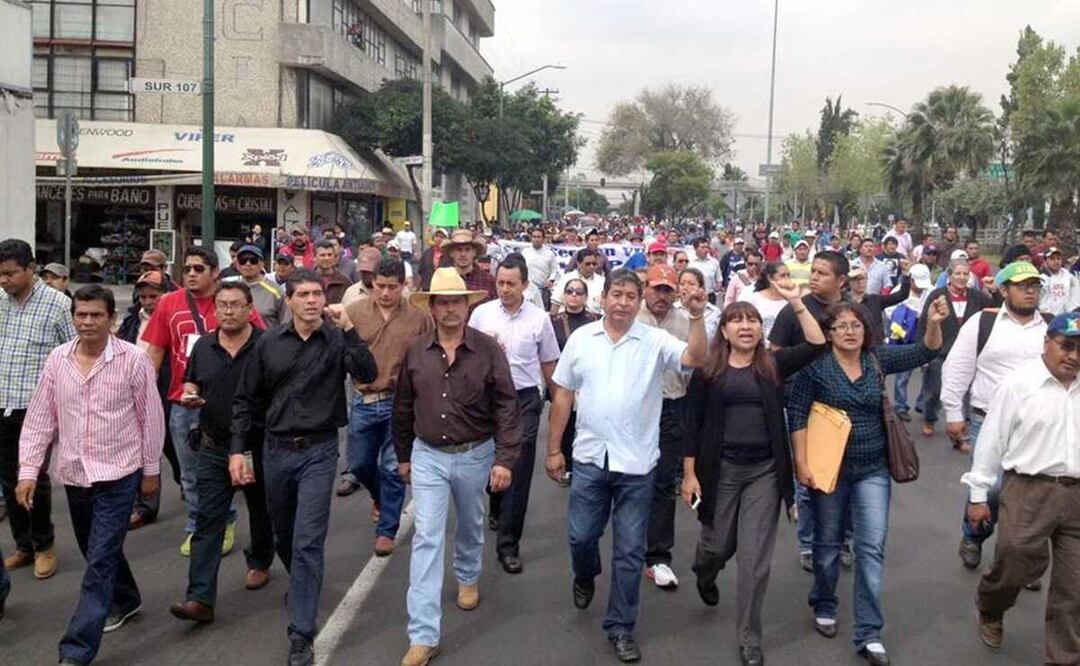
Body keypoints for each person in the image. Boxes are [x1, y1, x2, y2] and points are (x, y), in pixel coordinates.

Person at [545, 268, 709, 663]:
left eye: (629, 297)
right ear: (604, 299)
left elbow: (695, 358)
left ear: (638, 303)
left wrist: (698, 317)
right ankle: (585, 574)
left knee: (631, 551)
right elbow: (563, 393)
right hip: (589, 458)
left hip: (637, 463)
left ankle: (621, 626)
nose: (621, 302)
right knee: (581, 537)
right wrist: (554, 449)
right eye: (615, 295)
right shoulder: (582, 339)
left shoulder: (655, 340)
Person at [788, 297, 947, 666]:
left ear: (866, 330)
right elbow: (796, 414)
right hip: (829, 470)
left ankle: (869, 632)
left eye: (856, 325)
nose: (849, 332)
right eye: (840, 326)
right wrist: (801, 463)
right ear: (828, 334)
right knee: (827, 546)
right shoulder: (816, 367)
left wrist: (934, 321)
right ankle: (825, 602)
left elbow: (925, 350)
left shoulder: (877, 360)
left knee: (871, 549)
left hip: (873, 469)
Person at [231, 268, 377, 665]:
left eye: (317, 294)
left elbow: (368, 374)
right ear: (290, 301)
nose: (312, 301)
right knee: (284, 534)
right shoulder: (268, 344)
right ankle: (300, 582)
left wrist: (349, 330)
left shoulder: (336, 339)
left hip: (319, 449)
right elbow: (246, 400)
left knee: (308, 540)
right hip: (274, 450)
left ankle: (300, 633)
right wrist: (237, 452)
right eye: (303, 295)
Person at [17, 285, 165, 664]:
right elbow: (39, 420)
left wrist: (151, 472)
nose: (87, 322)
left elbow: (151, 419)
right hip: (75, 474)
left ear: (111, 318)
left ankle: (76, 649)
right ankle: (127, 597)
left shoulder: (133, 360)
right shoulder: (57, 360)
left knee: (99, 559)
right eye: (81, 315)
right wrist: (29, 471)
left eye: (96, 315)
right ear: (73, 318)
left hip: (119, 473)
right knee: (96, 549)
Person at [682, 284, 824, 666]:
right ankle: (705, 571)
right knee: (717, 545)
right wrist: (689, 473)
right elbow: (692, 423)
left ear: (761, 329)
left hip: (765, 471)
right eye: (736, 320)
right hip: (720, 471)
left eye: (752, 320)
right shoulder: (710, 372)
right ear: (724, 330)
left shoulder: (773, 366)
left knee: (755, 560)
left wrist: (796, 302)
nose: (746, 326)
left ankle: (749, 636)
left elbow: (815, 344)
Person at [393, 267, 520, 666]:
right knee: (427, 538)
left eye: (456, 302)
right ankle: (423, 634)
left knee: (469, 523)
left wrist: (505, 458)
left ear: (467, 306)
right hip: (428, 454)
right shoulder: (415, 351)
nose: (450, 309)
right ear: (431, 307)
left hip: (476, 453)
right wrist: (403, 456)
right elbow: (402, 406)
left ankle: (467, 574)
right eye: (442, 302)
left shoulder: (488, 350)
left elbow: (506, 404)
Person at [964, 312, 1080, 664]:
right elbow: (991, 442)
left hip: (1077, 497)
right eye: (1067, 346)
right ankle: (991, 606)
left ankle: (1063, 658)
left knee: (1075, 590)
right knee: (1015, 562)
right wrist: (978, 495)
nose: (1074, 356)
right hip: (1029, 490)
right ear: (1047, 343)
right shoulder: (1019, 384)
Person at [142, 246, 264, 557]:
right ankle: (200, 525)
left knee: (241, 472)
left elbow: (263, 346)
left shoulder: (231, 301)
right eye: (188, 269)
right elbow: (153, 352)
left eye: (199, 268)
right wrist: (142, 396)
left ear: (214, 273)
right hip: (183, 406)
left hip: (231, 406)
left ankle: (244, 531)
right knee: (190, 474)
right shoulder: (169, 304)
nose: (192, 274)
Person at [168, 281, 276, 625]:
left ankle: (259, 560)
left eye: (236, 304)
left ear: (249, 309)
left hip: (257, 447)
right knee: (208, 519)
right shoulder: (203, 346)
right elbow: (192, 381)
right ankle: (200, 597)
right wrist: (190, 393)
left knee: (262, 512)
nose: (228, 311)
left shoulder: (267, 345)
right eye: (222, 305)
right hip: (214, 446)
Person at [944, 261, 1052, 571]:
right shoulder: (983, 323)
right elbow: (957, 368)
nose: (1030, 290)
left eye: (1034, 285)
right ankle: (974, 536)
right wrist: (953, 412)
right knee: (990, 487)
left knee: (1033, 492)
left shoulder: (1050, 327)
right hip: (987, 420)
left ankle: (1022, 558)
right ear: (1004, 290)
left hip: (1037, 424)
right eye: (1022, 285)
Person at [469, 255, 559, 574]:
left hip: (524, 400)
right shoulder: (480, 316)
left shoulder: (539, 319)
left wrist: (560, 405)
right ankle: (496, 503)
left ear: (525, 285)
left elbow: (548, 363)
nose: (505, 289)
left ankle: (509, 545)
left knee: (517, 471)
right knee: (490, 466)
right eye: (500, 283)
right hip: (487, 400)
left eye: (511, 284)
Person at [338, 259, 433, 557]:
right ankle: (378, 496)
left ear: (404, 285)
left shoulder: (419, 317)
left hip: (400, 401)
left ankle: (386, 530)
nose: (386, 293)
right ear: (372, 284)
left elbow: (430, 355)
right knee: (359, 463)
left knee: (393, 467)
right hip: (364, 400)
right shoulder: (354, 312)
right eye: (380, 286)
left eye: (393, 287)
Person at [0, 238, 76, 580]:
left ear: (31, 270)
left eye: (11, 274)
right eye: (0, 275)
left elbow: (72, 354)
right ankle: (24, 546)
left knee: (35, 479)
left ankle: (44, 544)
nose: (4, 281)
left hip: (35, 410)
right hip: (2, 402)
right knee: (7, 480)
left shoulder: (57, 305)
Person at [633, 264, 694, 590]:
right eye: (656, 288)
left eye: (667, 290)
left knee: (662, 484)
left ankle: (657, 556)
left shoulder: (683, 322)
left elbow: (695, 366)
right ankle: (627, 547)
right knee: (629, 480)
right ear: (645, 288)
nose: (661, 296)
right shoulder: (630, 316)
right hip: (633, 410)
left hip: (671, 406)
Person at [117, 271, 176, 528]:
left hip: (167, 393)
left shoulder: (175, 319)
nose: (148, 301)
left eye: (154, 296)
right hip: (135, 393)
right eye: (143, 296)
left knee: (173, 446)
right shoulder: (131, 321)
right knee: (142, 450)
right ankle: (144, 506)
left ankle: (189, 481)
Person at [916, 259, 993, 438]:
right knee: (934, 390)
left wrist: (995, 291)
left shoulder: (977, 296)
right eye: (957, 273)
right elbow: (924, 324)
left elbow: (995, 309)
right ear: (949, 276)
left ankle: (963, 425)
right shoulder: (937, 295)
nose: (961, 277)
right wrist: (922, 352)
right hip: (940, 352)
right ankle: (930, 418)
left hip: (968, 353)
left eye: (965, 274)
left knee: (967, 391)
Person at [548, 278, 599, 487]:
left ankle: (589, 465)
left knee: (589, 423)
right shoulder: (553, 321)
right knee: (565, 423)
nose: (574, 295)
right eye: (570, 291)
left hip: (590, 380)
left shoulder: (596, 320)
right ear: (563, 295)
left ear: (586, 297)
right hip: (563, 381)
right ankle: (566, 464)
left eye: (579, 292)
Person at [847, 261, 912, 344]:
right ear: (849, 282)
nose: (860, 282)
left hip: (875, 345)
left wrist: (905, 274)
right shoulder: (844, 302)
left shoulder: (875, 299)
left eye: (863, 278)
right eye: (856, 279)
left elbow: (902, 295)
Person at [231, 244, 288, 327]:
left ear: (261, 264)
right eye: (243, 260)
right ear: (237, 265)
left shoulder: (276, 292)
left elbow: (286, 324)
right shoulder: (230, 289)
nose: (248, 264)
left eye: (253, 260)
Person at [742, 262, 795, 342]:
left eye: (788, 275)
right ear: (770, 278)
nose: (786, 279)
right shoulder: (754, 299)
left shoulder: (791, 301)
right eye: (782, 275)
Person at [442, 229, 496, 305]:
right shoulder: (443, 280)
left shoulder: (488, 280)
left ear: (474, 252)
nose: (463, 254)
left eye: (467, 250)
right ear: (451, 253)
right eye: (459, 250)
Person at [551, 248, 605, 315]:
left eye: (594, 264)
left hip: (594, 321)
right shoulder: (566, 278)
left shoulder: (602, 281)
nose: (591, 267)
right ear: (578, 263)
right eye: (587, 264)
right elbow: (556, 303)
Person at [677, 268, 722, 342]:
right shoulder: (672, 309)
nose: (685, 287)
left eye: (691, 284)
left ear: (701, 288)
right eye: (682, 284)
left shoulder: (713, 312)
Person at [521, 227, 560, 311]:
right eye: (534, 237)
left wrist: (551, 280)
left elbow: (554, 270)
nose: (536, 239)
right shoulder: (525, 253)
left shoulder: (549, 254)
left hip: (543, 290)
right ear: (531, 238)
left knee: (542, 313)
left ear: (543, 239)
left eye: (539, 237)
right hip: (528, 289)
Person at [1039, 246, 1080, 315]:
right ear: (1045, 261)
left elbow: (1075, 294)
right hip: (1047, 316)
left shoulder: (1069, 276)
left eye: (1058, 258)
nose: (1056, 261)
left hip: (1068, 316)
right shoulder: (1041, 278)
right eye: (1052, 259)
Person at [313, 240, 351, 306]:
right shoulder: (307, 279)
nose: (327, 258)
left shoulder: (344, 281)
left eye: (329, 255)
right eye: (322, 255)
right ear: (314, 257)